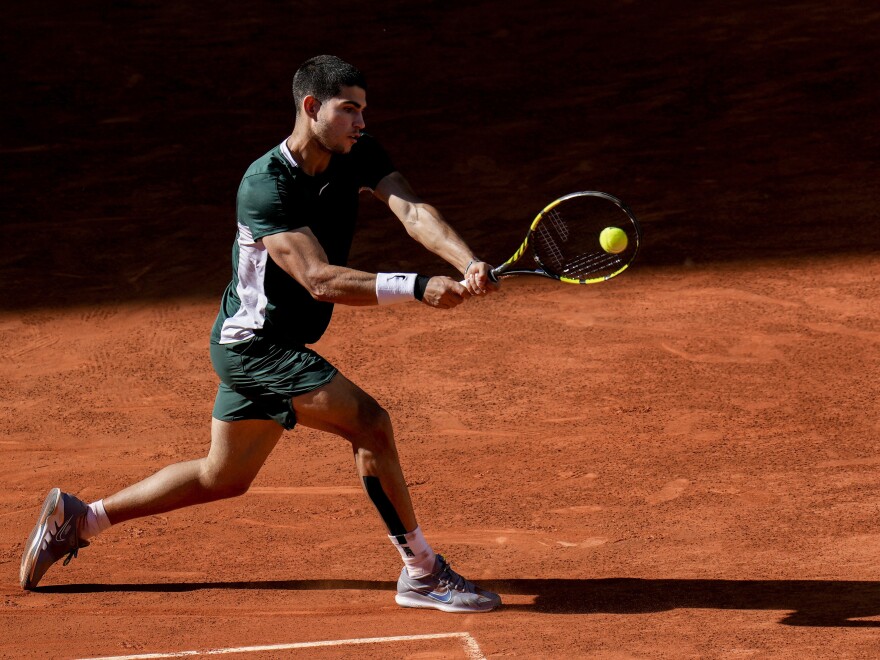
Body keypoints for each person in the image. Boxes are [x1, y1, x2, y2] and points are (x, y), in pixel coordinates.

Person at [20, 55, 501, 613]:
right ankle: (421, 572)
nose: (361, 122)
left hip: (266, 343)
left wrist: (467, 260)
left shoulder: (358, 153)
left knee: (222, 476)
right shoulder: (264, 185)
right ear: (311, 107)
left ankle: (80, 519)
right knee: (370, 425)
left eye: (364, 110)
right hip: (256, 347)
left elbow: (412, 210)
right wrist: (417, 286)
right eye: (350, 110)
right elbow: (319, 280)